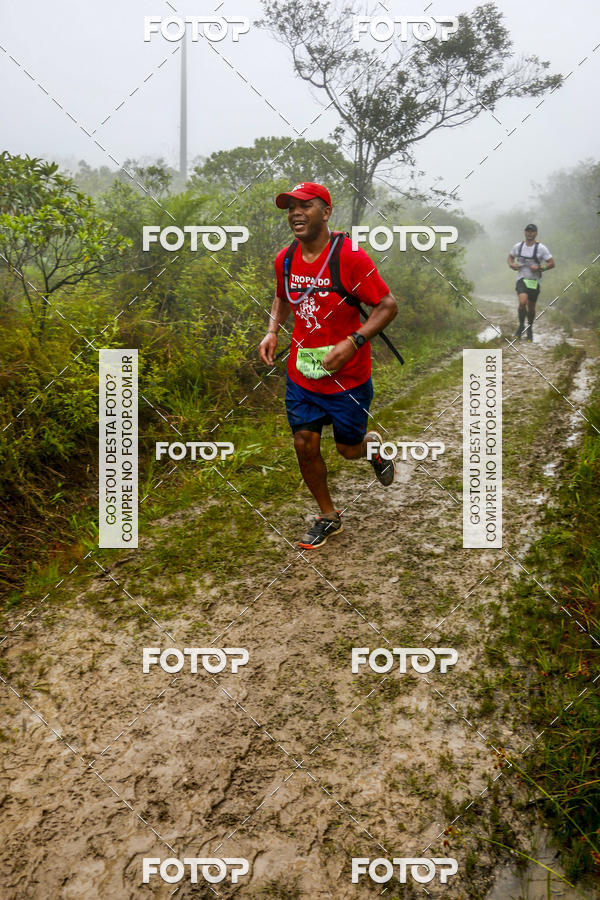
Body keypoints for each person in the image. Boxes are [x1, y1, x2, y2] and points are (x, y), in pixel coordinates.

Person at [258, 182, 398, 549]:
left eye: (305, 205)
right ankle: (328, 516)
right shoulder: (284, 259)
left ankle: (371, 449)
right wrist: (272, 331)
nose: (295, 213)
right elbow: (281, 296)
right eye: (290, 208)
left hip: (347, 378)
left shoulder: (350, 257)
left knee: (347, 449)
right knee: (304, 443)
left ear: (326, 212)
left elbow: (387, 305)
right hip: (303, 374)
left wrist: (353, 342)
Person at [507, 224, 555, 341]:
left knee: (531, 307)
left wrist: (540, 267)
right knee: (522, 302)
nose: (530, 233)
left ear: (536, 233)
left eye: (532, 232)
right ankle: (521, 326)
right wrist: (512, 265)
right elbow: (510, 258)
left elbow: (551, 263)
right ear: (525, 233)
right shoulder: (518, 246)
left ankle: (529, 327)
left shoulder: (541, 248)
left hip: (534, 281)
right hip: (521, 279)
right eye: (528, 231)